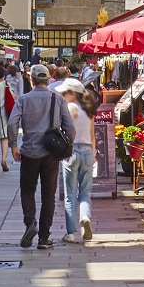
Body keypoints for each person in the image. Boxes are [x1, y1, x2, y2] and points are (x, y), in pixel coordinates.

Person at [8, 63, 73, 250]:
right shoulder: (58, 99)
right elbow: (70, 126)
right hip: (51, 154)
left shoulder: (23, 99)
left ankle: (30, 223)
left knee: (28, 190)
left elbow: (12, 123)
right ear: (49, 78)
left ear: (31, 80)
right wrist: (66, 146)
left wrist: (13, 145)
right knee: (48, 195)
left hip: (29, 152)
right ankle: (44, 238)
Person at [53, 78, 95, 244]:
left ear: (73, 94)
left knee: (70, 194)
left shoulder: (69, 109)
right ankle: (85, 216)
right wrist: (93, 154)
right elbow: (93, 135)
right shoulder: (89, 111)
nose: (62, 96)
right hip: (88, 152)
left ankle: (70, 233)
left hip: (72, 152)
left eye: (64, 93)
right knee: (85, 192)